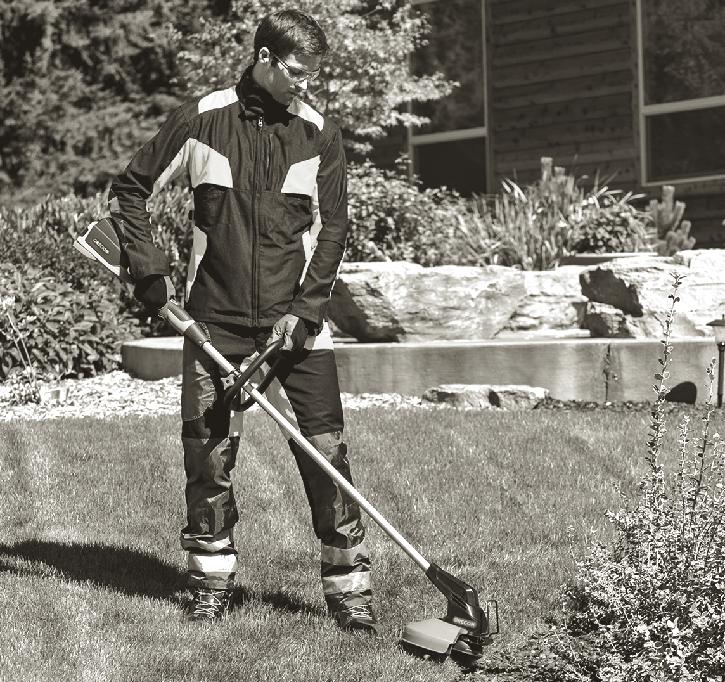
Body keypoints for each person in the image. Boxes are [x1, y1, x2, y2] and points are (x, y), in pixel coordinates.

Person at [106, 9, 378, 633]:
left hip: (300, 325)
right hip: (215, 321)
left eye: (315, 73)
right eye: (298, 72)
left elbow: (333, 227)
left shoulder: (318, 134)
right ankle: (211, 577)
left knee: (326, 452)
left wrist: (306, 311)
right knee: (208, 454)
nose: (307, 84)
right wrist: (150, 273)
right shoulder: (203, 119)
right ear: (264, 57)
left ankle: (348, 584)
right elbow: (130, 190)